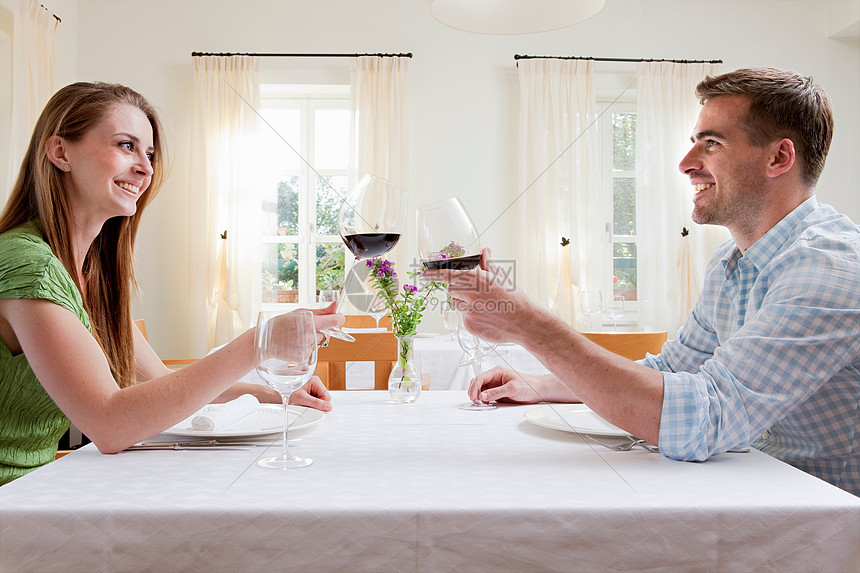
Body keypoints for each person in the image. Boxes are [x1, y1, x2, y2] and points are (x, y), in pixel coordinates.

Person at [426, 68, 860, 496]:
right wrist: (541, 383)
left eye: (711, 143)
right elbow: (671, 372)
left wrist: (527, 325)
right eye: (694, 142)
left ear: (779, 158)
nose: (687, 164)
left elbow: (701, 420)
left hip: (828, 523)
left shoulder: (829, 264)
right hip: (761, 494)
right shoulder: (730, 264)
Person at [0, 82, 343, 485]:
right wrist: (260, 343)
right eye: (126, 145)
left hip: (38, 492)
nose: (146, 167)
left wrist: (274, 394)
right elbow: (109, 424)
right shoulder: (29, 264)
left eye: (148, 153)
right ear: (60, 153)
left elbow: (160, 382)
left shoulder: (87, 273)